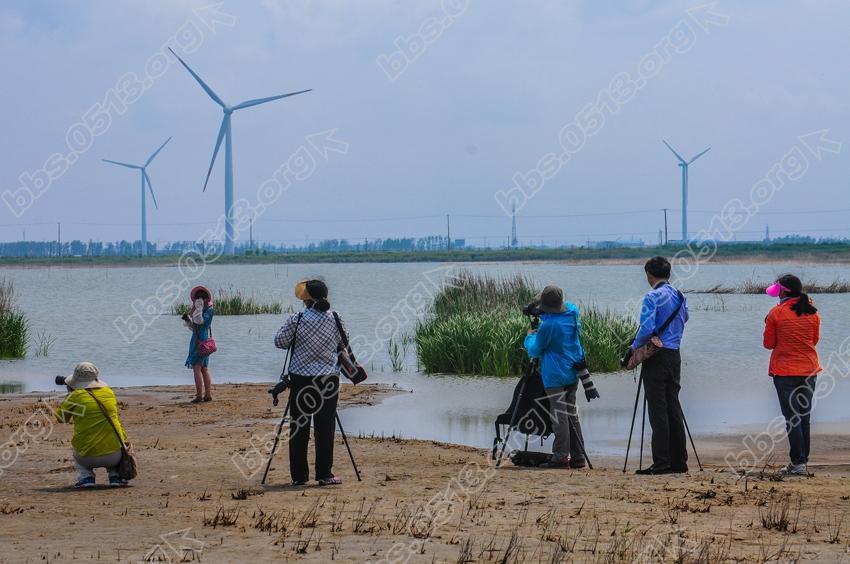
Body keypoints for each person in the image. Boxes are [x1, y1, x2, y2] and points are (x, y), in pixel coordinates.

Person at [274, 279, 349, 486]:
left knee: (299, 427)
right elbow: (344, 342)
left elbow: (279, 342)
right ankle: (325, 474)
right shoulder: (335, 318)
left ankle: (299, 477)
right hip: (328, 380)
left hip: (301, 379)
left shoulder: (297, 319)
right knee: (325, 427)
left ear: (307, 300)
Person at [523, 285, 598, 469]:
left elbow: (535, 350)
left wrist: (529, 336)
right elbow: (559, 313)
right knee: (571, 413)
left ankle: (560, 457)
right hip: (573, 371)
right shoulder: (571, 313)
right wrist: (542, 312)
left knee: (559, 416)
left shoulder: (549, 326)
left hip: (555, 375)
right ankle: (578, 456)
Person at [631, 256, 690, 475]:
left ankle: (661, 462)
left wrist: (633, 348)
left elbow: (646, 329)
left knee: (658, 410)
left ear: (649, 275)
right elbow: (685, 318)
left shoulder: (652, 296)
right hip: (674, 354)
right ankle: (679, 461)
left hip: (656, 356)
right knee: (673, 406)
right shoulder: (679, 295)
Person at [763, 274, 821, 476]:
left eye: (777, 287)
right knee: (803, 417)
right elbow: (814, 340)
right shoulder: (812, 313)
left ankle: (798, 463)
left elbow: (768, 344)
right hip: (809, 370)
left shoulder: (776, 313)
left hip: (785, 372)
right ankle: (801, 461)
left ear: (784, 291)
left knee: (792, 418)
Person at [55, 362, 131, 488]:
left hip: (86, 457)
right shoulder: (109, 393)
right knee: (110, 436)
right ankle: (115, 475)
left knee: (76, 444)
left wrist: (70, 395)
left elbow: (61, 418)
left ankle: (86, 476)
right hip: (115, 456)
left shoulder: (75, 396)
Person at [184, 285, 214, 403]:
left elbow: (201, 321)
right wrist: (188, 320)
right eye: (198, 298)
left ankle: (199, 396)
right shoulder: (205, 309)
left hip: (200, 341)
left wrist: (198, 309)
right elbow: (195, 326)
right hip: (202, 339)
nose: (199, 300)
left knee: (198, 368)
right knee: (204, 368)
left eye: (201, 298)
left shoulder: (208, 310)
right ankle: (207, 395)